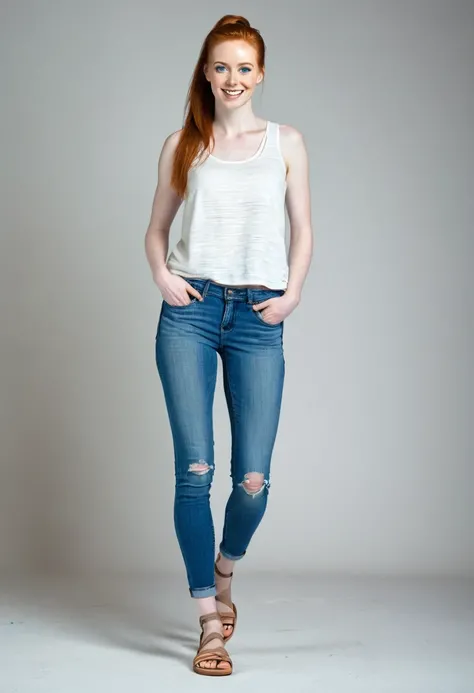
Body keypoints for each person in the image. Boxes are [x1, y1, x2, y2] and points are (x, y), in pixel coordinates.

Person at [145, 14, 313, 676]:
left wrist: (292, 292)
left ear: (260, 73)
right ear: (206, 73)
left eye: (244, 67)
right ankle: (209, 621)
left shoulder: (288, 143)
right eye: (221, 66)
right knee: (195, 471)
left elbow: (303, 228)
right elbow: (156, 229)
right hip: (190, 310)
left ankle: (225, 565)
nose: (233, 78)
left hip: (257, 316)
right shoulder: (183, 144)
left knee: (252, 479)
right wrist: (163, 277)